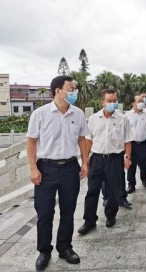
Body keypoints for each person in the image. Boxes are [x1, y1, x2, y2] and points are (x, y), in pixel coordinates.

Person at [27, 75, 89, 270]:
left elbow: (82, 139)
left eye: (74, 89)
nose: (74, 93)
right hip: (46, 168)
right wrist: (33, 168)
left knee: (68, 211)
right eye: (70, 89)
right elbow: (31, 142)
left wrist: (85, 161)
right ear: (57, 91)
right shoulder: (40, 114)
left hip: (70, 167)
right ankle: (44, 251)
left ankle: (65, 248)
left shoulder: (78, 114)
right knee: (44, 212)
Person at [78, 89, 133, 236]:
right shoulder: (94, 119)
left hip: (115, 159)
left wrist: (128, 157)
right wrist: (86, 159)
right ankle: (89, 221)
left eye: (115, 100)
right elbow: (89, 140)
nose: (113, 103)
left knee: (113, 191)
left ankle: (110, 216)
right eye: (109, 101)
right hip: (97, 159)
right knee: (92, 192)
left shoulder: (123, 119)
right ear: (102, 102)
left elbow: (128, 140)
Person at [125, 96, 146, 193]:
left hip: (144, 143)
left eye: (142, 101)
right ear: (133, 103)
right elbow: (124, 130)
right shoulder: (127, 115)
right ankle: (131, 184)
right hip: (132, 144)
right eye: (139, 101)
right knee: (131, 164)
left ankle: (144, 179)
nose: (141, 103)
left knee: (144, 163)